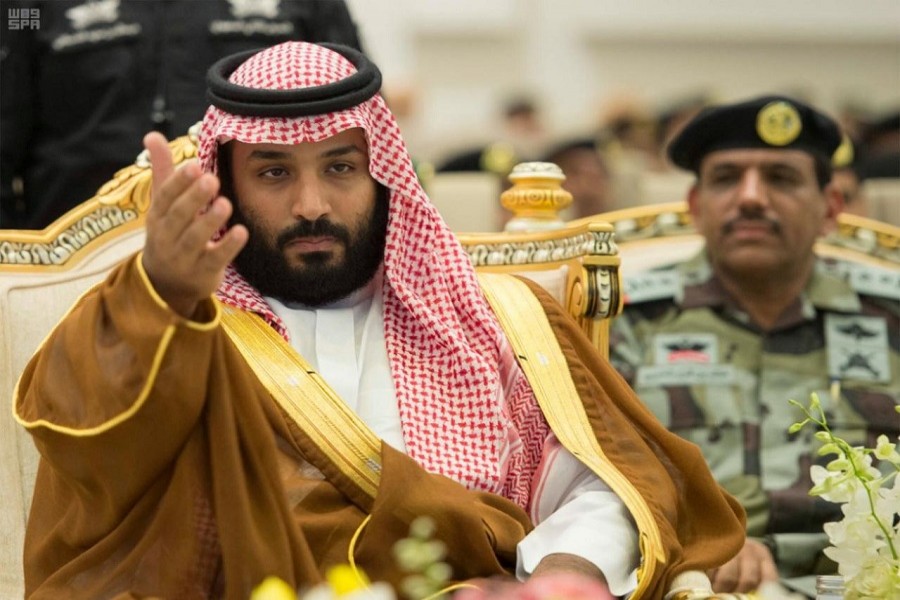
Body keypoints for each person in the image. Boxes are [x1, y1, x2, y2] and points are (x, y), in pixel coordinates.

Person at [14, 42, 745, 599]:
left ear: (384, 173)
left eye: (340, 167)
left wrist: (565, 569)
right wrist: (165, 293)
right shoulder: (160, 320)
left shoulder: (498, 319)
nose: (311, 205)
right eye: (273, 172)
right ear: (225, 184)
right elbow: (94, 458)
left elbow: (608, 482)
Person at [609, 95, 900, 595]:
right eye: (726, 178)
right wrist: (706, 538)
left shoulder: (890, 319)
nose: (750, 197)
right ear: (696, 207)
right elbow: (604, 480)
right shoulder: (629, 322)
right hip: (699, 584)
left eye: (781, 178)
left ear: (830, 208)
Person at [0, 0, 362, 229]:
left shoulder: (311, 5)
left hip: (251, 261)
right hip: (77, 266)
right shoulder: (27, 11)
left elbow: (358, 128)